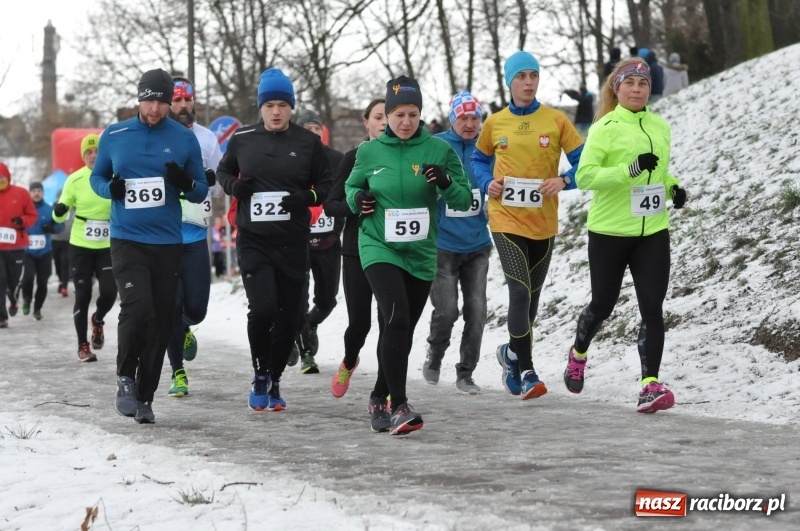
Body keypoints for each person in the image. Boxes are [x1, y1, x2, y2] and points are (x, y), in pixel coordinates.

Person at [345, 75, 472, 434]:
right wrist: (359, 200)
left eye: (412, 114)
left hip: (420, 251)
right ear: (387, 115)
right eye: (397, 114)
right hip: (378, 245)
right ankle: (399, 405)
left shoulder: (438, 150)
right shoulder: (369, 152)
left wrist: (445, 183)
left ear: (420, 115)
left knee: (399, 328)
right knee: (397, 317)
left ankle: (377, 395)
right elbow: (352, 186)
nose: (404, 121)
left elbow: (463, 200)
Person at [564, 57, 686, 414]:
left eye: (643, 84)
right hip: (610, 232)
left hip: (653, 230)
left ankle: (650, 384)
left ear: (649, 89)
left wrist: (674, 187)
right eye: (629, 83)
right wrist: (628, 170)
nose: (636, 89)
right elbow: (584, 176)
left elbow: (659, 172)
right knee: (603, 304)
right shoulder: (605, 126)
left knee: (652, 307)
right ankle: (579, 352)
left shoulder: (660, 125)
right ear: (616, 89)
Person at [90, 68, 208, 423]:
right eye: (148, 100)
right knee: (137, 307)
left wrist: (184, 181)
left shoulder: (184, 139)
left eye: (162, 101)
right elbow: (97, 176)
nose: (154, 108)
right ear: (138, 98)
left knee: (162, 318)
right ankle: (125, 379)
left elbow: (200, 189)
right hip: (127, 238)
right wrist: (109, 189)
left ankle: (145, 396)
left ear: (171, 102)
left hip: (167, 242)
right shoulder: (115, 134)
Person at [216, 67, 332, 412]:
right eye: (270, 105)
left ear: (291, 107)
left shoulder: (308, 143)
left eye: (283, 104)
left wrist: (308, 198)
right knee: (262, 308)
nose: (276, 111)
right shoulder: (242, 140)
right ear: (261, 107)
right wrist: (235, 187)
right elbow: (223, 172)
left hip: (293, 242)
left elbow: (326, 185)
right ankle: (259, 373)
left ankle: (276, 377)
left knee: (287, 315)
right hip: (254, 240)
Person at [471, 50, 584, 400]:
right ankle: (527, 370)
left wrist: (565, 180)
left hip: (543, 222)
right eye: (521, 77)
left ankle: (510, 353)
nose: (528, 82)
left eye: (533, 76)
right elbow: (478, 159)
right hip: (505, 218)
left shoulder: (556, 120)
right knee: (518, 292)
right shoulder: (495, 123)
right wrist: (486, 181)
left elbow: (584, 162)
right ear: (510, 82)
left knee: (531, 303)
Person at [422, 91, 492, 395]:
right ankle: (435, 354)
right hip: (443, 244)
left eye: (475, 117)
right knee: (447, 310)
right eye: (463, 117)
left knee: (477, 310)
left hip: (477, 243)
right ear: (453, 119)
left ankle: (466, 372)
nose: (470, 123)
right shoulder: (436, 145)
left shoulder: (486, 147)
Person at [163, 76, 223, 398]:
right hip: (167, 238)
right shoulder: (160, 137)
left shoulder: (207, 139)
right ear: (168, 103)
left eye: (188, 100)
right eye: (177, 101)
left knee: (196, 308)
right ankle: (178, 372)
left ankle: (187, 327)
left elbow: (220, 182)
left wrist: (211, 181)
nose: (184, 106)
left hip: (196, 236)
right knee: (172, 306)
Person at [324, 98, 386, 409]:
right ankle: (349, 360)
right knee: (359, 324)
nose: (386, 122)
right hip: (356, 252)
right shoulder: (353, 158)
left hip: (394, 252)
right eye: (379, 117)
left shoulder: (408, 159)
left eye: (391, 115)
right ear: (367, 122)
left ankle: (384, 389)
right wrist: (356, 202)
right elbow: (331, 204)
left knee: (390, 322)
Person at [53, 133, 117, 362]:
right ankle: (82, 345)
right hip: (80, 245)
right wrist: (58, 211)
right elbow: (60, 211)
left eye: (97, 151)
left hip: (107, 246)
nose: (93, 155)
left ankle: (98, 320)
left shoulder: (112, 176)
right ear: (83, 156)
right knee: (83, 294)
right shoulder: (75, 179)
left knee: (110, 291)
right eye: (88, 152)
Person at [293, 109, 344, 374]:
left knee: (328, 300)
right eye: (307, 130)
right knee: (298, 300)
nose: (313, 134)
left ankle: (308, 326)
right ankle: (306, 355)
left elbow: (348, 190)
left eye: (317, 129)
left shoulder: (336, 159)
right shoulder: (290, 160)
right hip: (298, 241)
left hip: (328, 241)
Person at [0, 162, 37, 328]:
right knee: (0, 279)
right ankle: (2, 317)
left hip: (16, 246)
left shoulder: (21, 193)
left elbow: (32, 215)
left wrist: (22, 220)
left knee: (13, 281)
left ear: (8, 178)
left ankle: (13, 297)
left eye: (2, 178)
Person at [20, 181, 63, 321]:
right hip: (28, 252)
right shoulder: (24, 209)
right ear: (30, 193)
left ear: (43, 193)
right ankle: (26, 299)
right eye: (34, 191)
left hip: (45, 252)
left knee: (42, 282)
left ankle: (37, 308)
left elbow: (60, 225)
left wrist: (52, 228)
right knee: (27, 279)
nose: (36, 193)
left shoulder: (49, 209)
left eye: (39, 191)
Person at [51, 189, 72, 297]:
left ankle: (64, 286)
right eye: (60, 196)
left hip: (68, 240)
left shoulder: (73, 208)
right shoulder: (53, 207)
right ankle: (60, 280)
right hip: (55, 240)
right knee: (57, 263)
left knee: (65, 262)